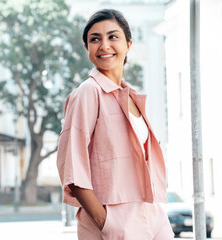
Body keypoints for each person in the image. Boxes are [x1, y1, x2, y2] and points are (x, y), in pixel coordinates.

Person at [56, 9, 174, 240]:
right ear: (87, 48)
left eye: (113, 37)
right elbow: (72, 166)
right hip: (113, 217)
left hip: (152, 212)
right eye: (95, 39)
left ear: (128, 44)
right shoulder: (88, 93)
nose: (104, 45)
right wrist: (106, 222)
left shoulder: (132, 96)